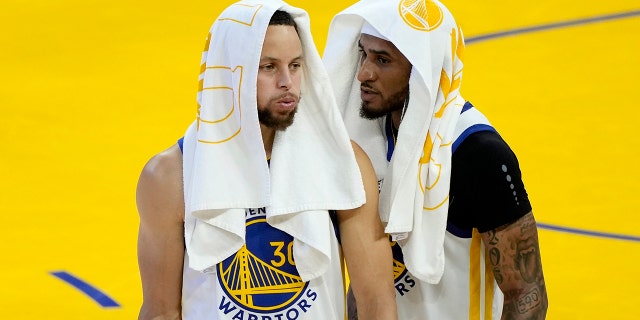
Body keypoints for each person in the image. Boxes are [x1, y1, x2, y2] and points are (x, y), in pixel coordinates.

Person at [135, 1, 397, 319]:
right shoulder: (169, 177)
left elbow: (376, 302)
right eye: (268, 67)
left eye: (296, 65)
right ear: (229, 74)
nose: (287, 82)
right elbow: (161, 312)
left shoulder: (344, 164)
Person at [322, 0, 548, 319]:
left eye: (383, 60)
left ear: (422, 70)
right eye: (364, 53)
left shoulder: (477, 152)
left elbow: (527, 294)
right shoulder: (360, 141)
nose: (363, 73)